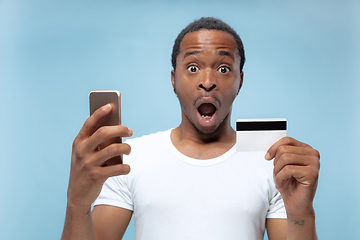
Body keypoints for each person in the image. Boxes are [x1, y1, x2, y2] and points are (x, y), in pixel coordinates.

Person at [61, 17, 320, 240]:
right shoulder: (130, 158)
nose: (208, 82)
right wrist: (77, 203)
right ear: (174, 79)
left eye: (223, 68)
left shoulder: (272, 162)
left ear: (240, 80)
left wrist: (302, 214)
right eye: (193, 68)